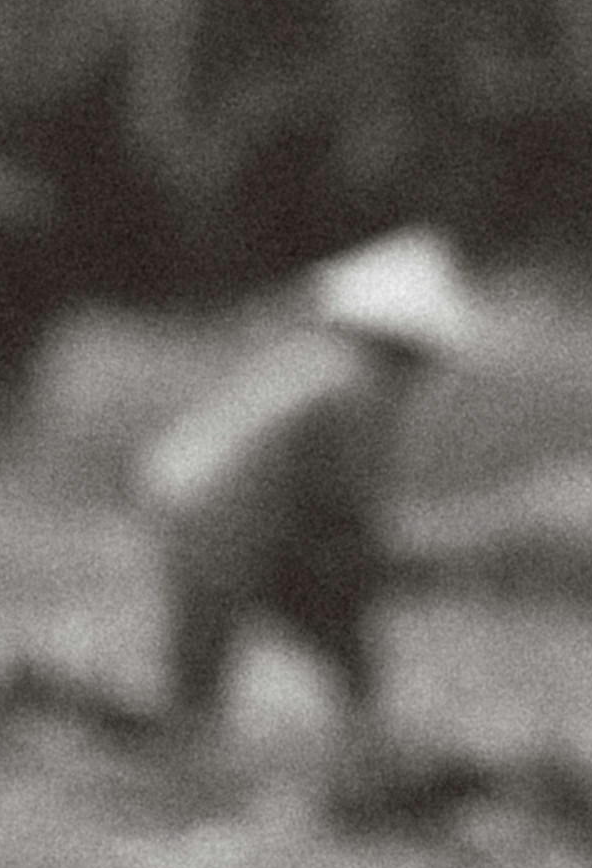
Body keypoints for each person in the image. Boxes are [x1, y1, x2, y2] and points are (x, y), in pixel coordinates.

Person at [134, 225, 482, 748]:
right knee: (332, 639)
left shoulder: (318, 362)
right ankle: (362, 749)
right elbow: (346, 496)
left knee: (211, 664)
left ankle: (191, 753)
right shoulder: (361, 387)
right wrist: (391, 559)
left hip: (199, 513)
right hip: (232, 532)